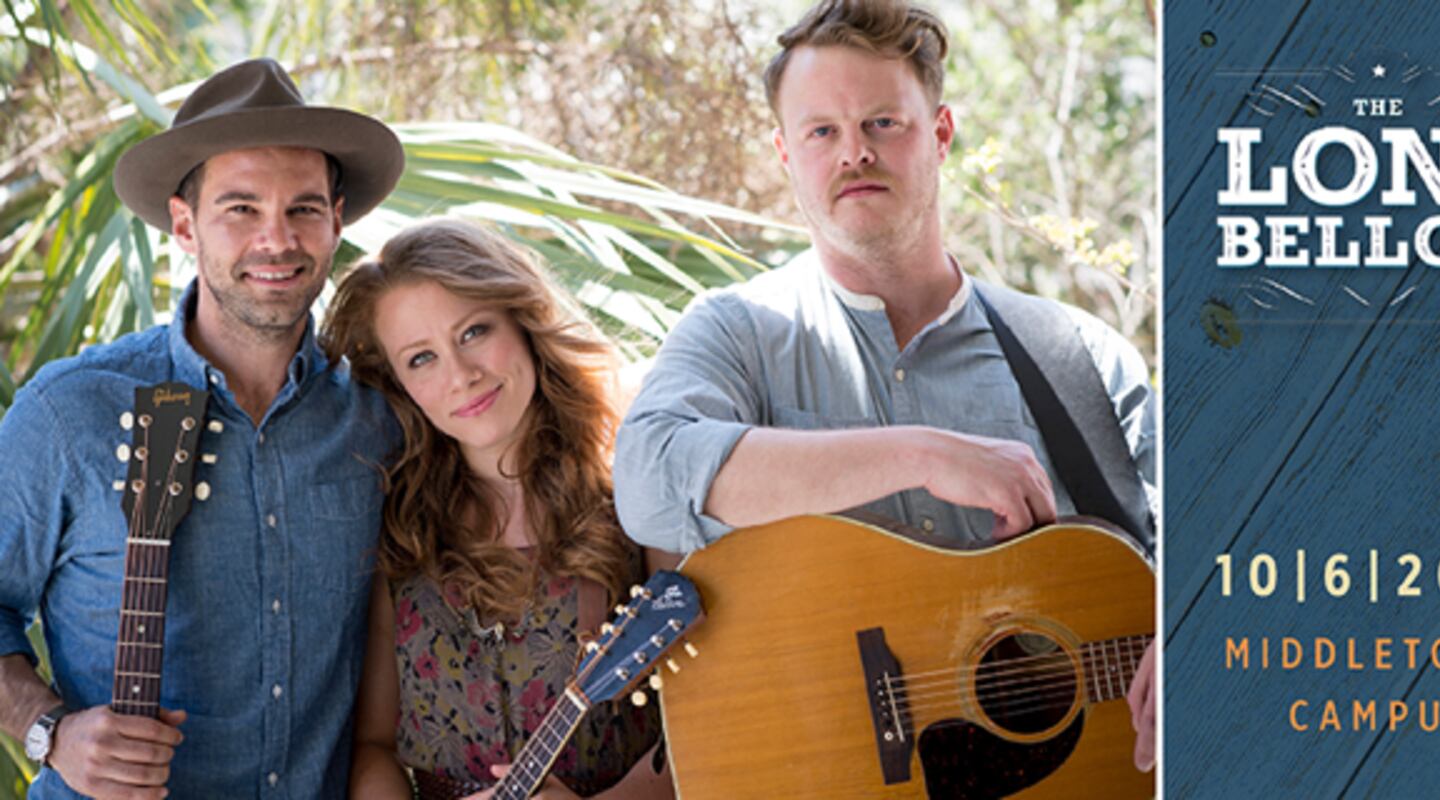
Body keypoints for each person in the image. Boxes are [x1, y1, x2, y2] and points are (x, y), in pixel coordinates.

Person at [611, 0, 1159, 774]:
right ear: (785, 155)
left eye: (883, 124)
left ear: (939, 134)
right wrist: (922, 455)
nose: (853, 154)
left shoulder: (1080, 359)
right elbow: (648, 476)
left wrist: (1192, 624)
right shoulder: (736, 332)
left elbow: (1220, 548)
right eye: (822, 132)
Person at [0, 58, 404, 797]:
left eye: (304, 209)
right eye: (241, 209)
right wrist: (48, 730)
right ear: (185, 225)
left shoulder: (381, 417)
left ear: (337, 220)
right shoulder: (71, 412)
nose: (276, 241)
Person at [321, 219, 673, 800]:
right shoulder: (399, 528)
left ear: (523, 319)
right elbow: (375, 746)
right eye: (421, 359)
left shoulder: (637, 490)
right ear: (397, 383)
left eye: (474, 331)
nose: (462, 376)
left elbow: (708, 719)